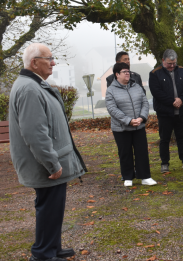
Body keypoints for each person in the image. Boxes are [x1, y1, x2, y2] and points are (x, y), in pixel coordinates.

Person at [9, 43, 87, 261]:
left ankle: (52, 247)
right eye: (48, 58)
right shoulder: (29, 89)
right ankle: (43, 254)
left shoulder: (34, 85)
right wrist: (52, 164)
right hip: (45, 165)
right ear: (34, 63)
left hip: (48, 162)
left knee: (53, 208)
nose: (53, 63)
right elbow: (35, 133)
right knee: (48, 208)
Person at [106, 62, 157, 187]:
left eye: (128, 71)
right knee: (125, 152)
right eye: (124, 72)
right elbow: (112, 109)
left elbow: (145, 103)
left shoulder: (137, 87)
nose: (128, 73)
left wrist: (142, 117)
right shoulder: (111, 90)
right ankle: (128, 177)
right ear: (117, 74)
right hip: (121, 128)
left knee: (142, 151)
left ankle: (145, 176)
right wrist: (128, 120)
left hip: (139, 125)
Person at [149, 49, 183, 173]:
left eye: (174, 63)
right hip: (165, 113)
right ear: (163, 61)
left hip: (181, 112)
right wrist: (173, 101)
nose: (172, 66)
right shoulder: (155, 73)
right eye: (169, 63)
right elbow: (156, 92)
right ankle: (164, 163)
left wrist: (181, 100)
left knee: (182, 137)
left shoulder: (182, 71)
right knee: (164, 138)